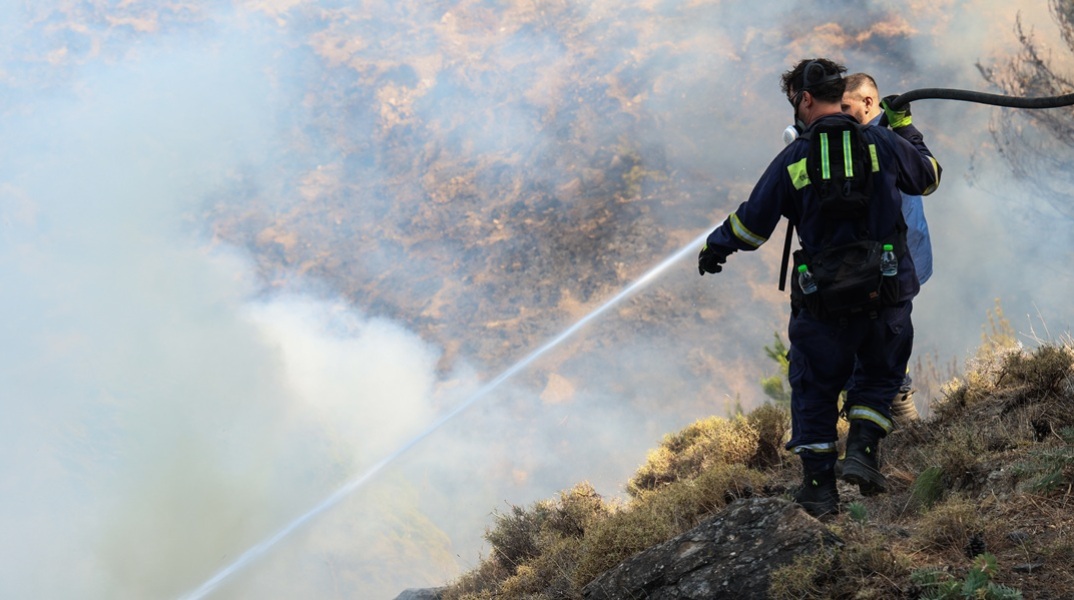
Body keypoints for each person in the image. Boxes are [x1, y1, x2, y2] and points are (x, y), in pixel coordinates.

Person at [697, 58, 941, 517]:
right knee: (879, 373)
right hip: (886, 290)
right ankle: (864, 455)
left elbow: (752, 225)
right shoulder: (882, 142)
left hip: (823, 300)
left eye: (795, 102)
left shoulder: (794, 158)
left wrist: (716, 247)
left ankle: (818, 490)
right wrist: (907, 129)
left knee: (814, 385)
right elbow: (928, 177)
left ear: (806, 100)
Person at [842, 72, 933, 423]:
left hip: (891, 262)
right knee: (880, 335)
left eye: (846, 107)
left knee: (881, 337)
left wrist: (906, 131)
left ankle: (890, 417)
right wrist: (906, 128)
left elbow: (929, 176)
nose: (841, 114)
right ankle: (889, 417)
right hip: (888, 263)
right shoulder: (884, 138)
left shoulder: (880, 142)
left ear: (868, 102)